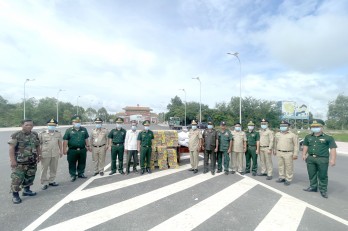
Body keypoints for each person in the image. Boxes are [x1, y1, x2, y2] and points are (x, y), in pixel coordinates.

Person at [8, 119, 41, 204]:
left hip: (32, 161)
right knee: (17, 179)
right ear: (22, 125)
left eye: (31, 125)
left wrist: (39, 155)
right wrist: (12, 161)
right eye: (27, 125)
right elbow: (11, 148)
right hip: (20, 162)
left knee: (30, 177)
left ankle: (26, 190)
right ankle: (15, 196)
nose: (29, 126)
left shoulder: (34, 134)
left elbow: (37, 146)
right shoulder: (17, 135)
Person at [302, 120, 337, 198]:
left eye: (317, 127)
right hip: (310, 158)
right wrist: (304, 154)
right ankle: (313, 187)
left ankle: (323, 190)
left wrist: (333, 159)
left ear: (322, 127)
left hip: (322, 159)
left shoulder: (328, 137)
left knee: (323, 175)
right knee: (311, 174)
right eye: (313, 127)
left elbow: (333, 149)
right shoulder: (308, 137)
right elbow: (305, 146)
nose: (315, 128)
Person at [63, 115, 91, 182]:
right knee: (71, 162)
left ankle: (81, 173)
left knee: (82, 162)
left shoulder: (84, 130)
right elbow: (65, 140)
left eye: (78, 122)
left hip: (82, 149)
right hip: (72, 150)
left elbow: (86, 138)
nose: (77, 123)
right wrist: (64, 149)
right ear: (72, 122)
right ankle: (73, 175)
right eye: (75, 122)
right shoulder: (68, 130)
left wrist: (88, 146)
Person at [39, 119, 63, 190]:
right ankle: (44, 182)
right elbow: (38, 145)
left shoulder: (58, 133)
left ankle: (51, 180)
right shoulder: (42, 134)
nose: (52, 127)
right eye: (50, 125)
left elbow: (60, 143)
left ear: (56, 126)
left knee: (53, 168)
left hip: (55, 153)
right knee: (44, 169)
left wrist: (61, 151)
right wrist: (39, 154)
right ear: (47, 125)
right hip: (45, 154)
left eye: (53, 125)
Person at [274, 120, 298, 186]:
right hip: (279, 152)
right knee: (280, 166)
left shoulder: (292, 135)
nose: (283, 127)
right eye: (281, 126)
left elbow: (296, 145)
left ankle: (288, 179)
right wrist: (275, 150)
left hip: (288, 153)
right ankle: (282, 177)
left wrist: (295, 154)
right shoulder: (277, 134)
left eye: (284, 126)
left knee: (289, 166)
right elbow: (275, 143)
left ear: (288, 127)